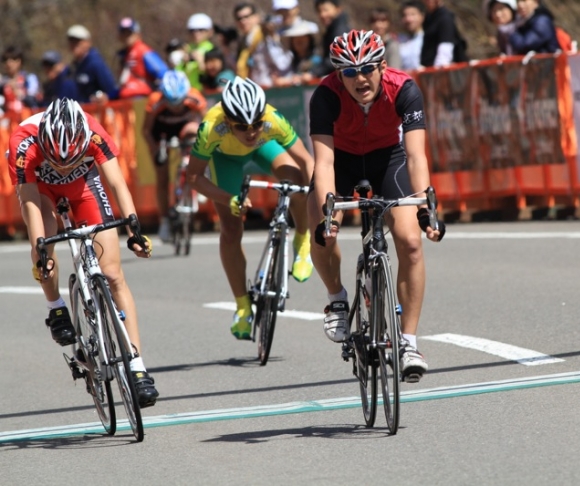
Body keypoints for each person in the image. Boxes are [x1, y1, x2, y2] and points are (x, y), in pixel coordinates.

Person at [307, 30, 445, 383]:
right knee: (322, 230)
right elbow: (323, 164)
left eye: (367, 69)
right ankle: (337, 298)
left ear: (383, 66)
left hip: (389, 160)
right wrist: (328, 213)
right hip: (342, 162)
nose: (359, 79)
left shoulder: (404, 89)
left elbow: (416, 156)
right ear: (339, 74)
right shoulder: (326, 96)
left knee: (411, 242)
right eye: (349, 72)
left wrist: (427, 206)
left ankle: (409, 342)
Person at [6, 98, 159, 408]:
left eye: (70, 159)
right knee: (44, 239)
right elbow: (31, 204)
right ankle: (56, 306)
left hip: (84, 186)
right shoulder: (23, 143)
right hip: (42, 193)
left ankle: (138, 368)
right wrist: (42, 250)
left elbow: (116, 182)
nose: (62, 165)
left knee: (114, 274)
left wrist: (135, 230)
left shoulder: (93, 131)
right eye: (56, 159)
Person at [188, 77, 314, 340]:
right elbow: (193, 178)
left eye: (256, 124)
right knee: (232, 228)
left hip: (263, 148)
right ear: (227, 121)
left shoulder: (272, 119)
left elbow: (306, 160)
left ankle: (302, 239)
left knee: (298, 182)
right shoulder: (211, 127)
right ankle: (243, 306)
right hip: (224, 159)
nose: (251, 131)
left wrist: (319, 192)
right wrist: (228, 198)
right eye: (241, 127)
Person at [142, 70, 207, 242]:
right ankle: (164, 220)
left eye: (179, 103)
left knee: (196, 133)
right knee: (162, 177)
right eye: (172, 103)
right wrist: (156, 150)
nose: (176, 107)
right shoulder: (155, 101)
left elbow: (207, 126)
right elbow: (146, 131)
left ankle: (199, 176)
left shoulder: (195, 97)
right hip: (161, 133)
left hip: (185, 129)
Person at [116, 17, 169, 99]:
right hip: (126, 101)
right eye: (123, 33)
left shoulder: (143, 51)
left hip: (142, 99)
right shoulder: (123, 55)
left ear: (137, 34)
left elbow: (163, 74)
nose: (126, 36)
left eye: (129, 33)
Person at [66, 25, 119, 103]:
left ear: (88, 42)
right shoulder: (73, 67)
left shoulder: (95, 63)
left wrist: (104, 97)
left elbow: (111, 89)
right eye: (72, 41)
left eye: (78, 41)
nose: (74, 45)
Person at [421, 0, 469, 67]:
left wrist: (438, 72)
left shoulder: (445, 18)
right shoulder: (428, 18)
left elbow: (445, 49)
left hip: (442, 70)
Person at [277, 19, 321, 86]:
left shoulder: (316, 60)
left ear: (309, 40)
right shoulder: (290, 61)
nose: (299, 42)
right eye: (296, 39)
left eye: (302, 38)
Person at [178, 13, 216, 90]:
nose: (196, 33)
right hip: (187, 92)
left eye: (201, 30)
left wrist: (201, 63)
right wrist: (183, 63)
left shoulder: (212, 50)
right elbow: (177, 72)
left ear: (209, 31)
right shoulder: (188, 49)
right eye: (192, 30)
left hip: (204, 92)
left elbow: (214, 74)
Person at [314, 0, 351, 77]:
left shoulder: (340, 31)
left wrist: (314, 73)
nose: (322, 14)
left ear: (338, 9)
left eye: (326, 10)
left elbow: (337, 57)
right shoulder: (331, 29)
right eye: (319, 11)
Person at [0, 46, 40, 115]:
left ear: (19, 61)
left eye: (13, 59)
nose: (9, 63)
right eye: (5, 60)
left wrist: (16, 89)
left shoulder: (29, 78)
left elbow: (33, 101)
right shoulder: (3, 82)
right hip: (9, 121)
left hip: (26, 118)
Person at [233, 3, 264, 80]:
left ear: (256, 17)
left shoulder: (264, 36)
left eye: (246, 16)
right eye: (239, 18)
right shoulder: (243, 42)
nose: (243, 21)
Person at [398, 0, 427, 70]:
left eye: (413, 14)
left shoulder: (429, 39)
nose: (408, 19)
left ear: (422, 16)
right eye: (405, 15)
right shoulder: (398, 40)